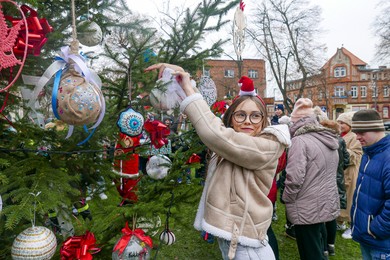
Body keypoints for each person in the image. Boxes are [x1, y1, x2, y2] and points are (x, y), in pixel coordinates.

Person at [145, 64, 291, 260]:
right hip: (234, 240)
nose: (248, 121)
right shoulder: (233, 143)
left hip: (249, 249)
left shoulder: (266, 147)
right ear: (230, 119)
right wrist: (183, 81)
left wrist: (188, 88)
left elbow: (214, 133)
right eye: (240, 114)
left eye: (256, 116)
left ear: (264, 121)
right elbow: (213, 125)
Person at [282, 98, 340, 260]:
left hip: (306, 205)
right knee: (318, 245)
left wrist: (287, 198)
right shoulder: (328, 138)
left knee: (309, 250)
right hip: (325, 200)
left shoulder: (299, 141)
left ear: (296, 121)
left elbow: (294, 178)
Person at [349, 109, 390, 260]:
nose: (357, 137)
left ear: (376, 128)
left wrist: (375, 228)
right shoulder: (369, 153)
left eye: (361, 132)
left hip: (381, 242)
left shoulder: (387, 157)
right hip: (368, 237)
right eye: (355, 131)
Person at [313, 106, 350, 257]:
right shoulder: (340, 140)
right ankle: (331, 245)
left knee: (321, 214)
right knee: (332, 213)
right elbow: (346, 160)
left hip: (323, 179)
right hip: (337, 179)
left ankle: (324, 248)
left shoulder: (319, 140)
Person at [336, 111, 363, 239]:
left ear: (350, 124)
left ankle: (352, 226)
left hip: (350, 172)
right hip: (340, 171)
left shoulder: (354, 136)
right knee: (340, 198)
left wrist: (342, 149)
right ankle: (340, 222)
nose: (340, 125)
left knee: (350, 199)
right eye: (338, 122)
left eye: (343, 123)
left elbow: (357, 155)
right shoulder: (338, 135)